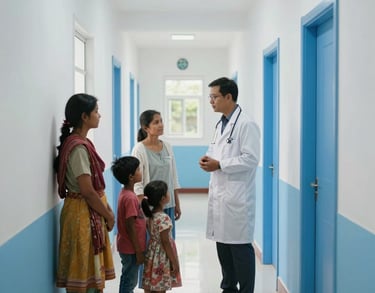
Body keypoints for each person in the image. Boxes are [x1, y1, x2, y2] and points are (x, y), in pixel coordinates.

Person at [199, 77, 260, 293]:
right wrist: (208, 160)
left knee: (240, 250)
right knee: (223, 248)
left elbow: (251, 159)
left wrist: (220, 164)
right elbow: (216, 150)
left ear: (228, 96)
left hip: (237, 199)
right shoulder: (221, 123)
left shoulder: (246, 124)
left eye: (214, 97)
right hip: (221, 196)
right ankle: (228, 288)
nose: (211, 101)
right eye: (210, 97)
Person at [54, 93, 115, 293]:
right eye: (96, 111)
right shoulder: (78, 148)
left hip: (85, 212)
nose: (100, 115)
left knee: (90, 272)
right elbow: (88, 192)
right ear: (84, 117)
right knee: (84, 274)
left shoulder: (81, 143)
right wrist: (108, 215)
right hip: (82, 216)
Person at [131, 110, 181, 239]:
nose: (161, 125)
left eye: (161, 121)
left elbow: (173, 177)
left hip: (167, 203)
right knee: (153, 244)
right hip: (151, 207)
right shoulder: (139, 149)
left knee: (168, 242)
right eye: (156, 122)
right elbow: (138, 183)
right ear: (146, 127)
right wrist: (144, 209)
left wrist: (177, 203)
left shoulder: (168, 147)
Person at [111, 156, 147, 293]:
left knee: (128, 278)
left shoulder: (126, 193)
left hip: (127, 246)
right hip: (131, 249)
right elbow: (130, 225)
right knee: (129, 281)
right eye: (138, 169)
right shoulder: (130, 198)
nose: (140, 171)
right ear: (131, 177)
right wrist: (138, 251)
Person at [140, 180, 182, 292]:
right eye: (168, 192)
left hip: (152, 255)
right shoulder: (164, 218)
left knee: (150, 286)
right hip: (162, 257)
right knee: (160, 287)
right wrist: (174, 262)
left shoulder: (150, 216)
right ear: (163, 198)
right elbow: (165, 242)